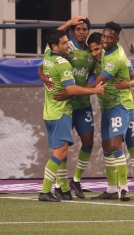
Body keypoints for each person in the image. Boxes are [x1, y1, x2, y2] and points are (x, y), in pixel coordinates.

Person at [38, 29, 105, 202]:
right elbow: (71, 89)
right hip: (61, 112)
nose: (68, 45)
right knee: (60, 153)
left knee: (61, 150)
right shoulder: (63, 63)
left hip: (49, 112)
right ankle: (45, 191)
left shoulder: (47, 56)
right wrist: (95, 90)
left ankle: (65, 189)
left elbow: (44, 60)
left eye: (68, 41)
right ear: (55, 46)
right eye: (64, 43)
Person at [89, 21, 134, 201]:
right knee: (107, 146)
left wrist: (73, 91)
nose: (105, 40)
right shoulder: (109, 51)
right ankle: (112, 188)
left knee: (122, 144)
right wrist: (129, 83)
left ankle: (127, 188)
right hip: (107, 106)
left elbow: (99, 82)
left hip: (121, 105)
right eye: (104, 36)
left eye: (108, 38)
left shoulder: (115, 58)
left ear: (116, 39)